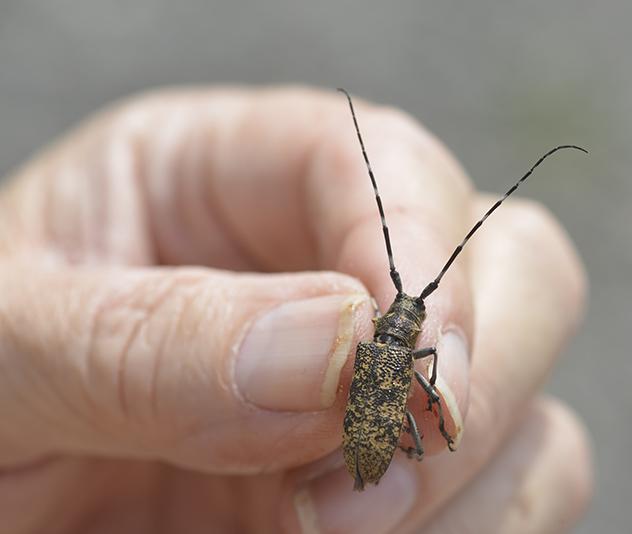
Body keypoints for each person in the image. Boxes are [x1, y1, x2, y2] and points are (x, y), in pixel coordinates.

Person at [0, 86, 591, 533]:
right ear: (403, 329)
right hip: (368, 443)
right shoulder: (405, 352)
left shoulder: (369, 345)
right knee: (428, 431)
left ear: (399, 326)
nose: (409, 313)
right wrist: (430, 397)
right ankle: (403, 452)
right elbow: (411, 381)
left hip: (356, 440)